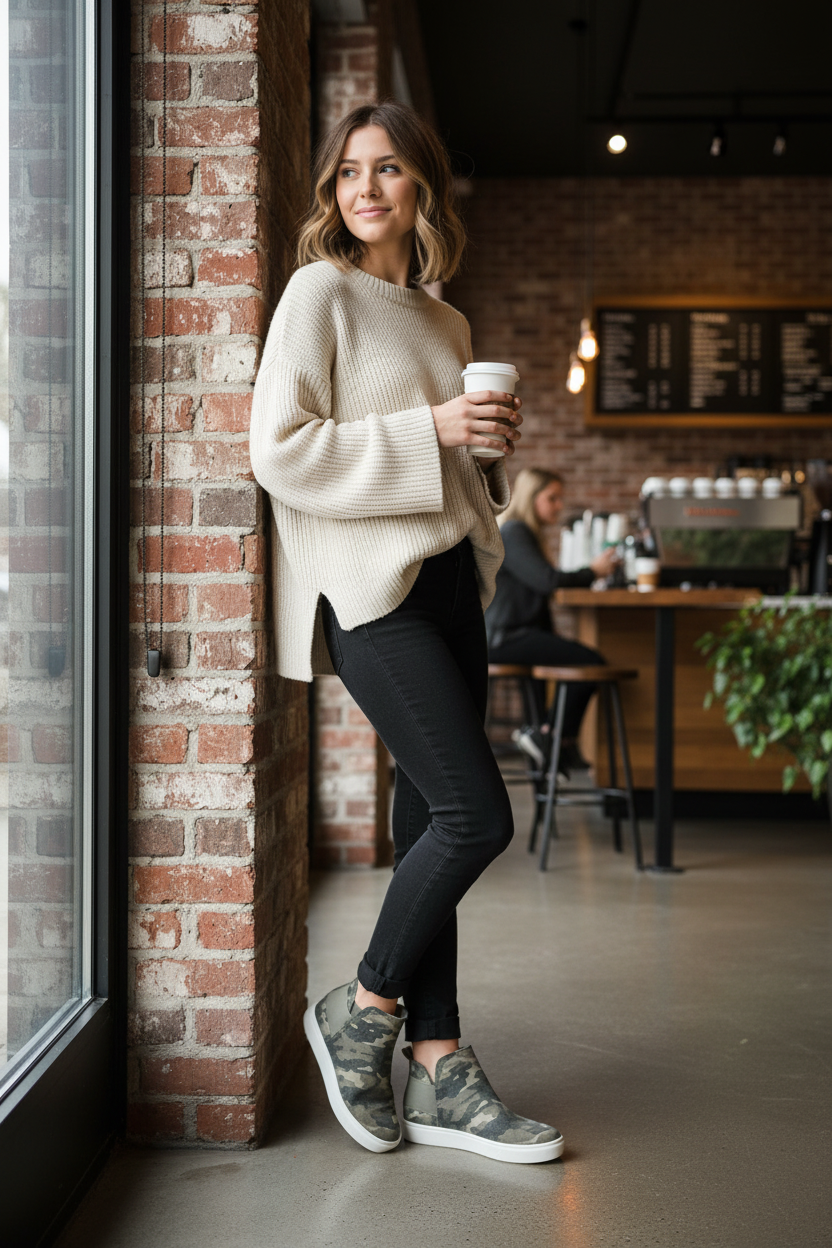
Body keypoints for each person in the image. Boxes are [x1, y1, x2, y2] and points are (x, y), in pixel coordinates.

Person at [250, 102, 563, 1165]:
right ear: (333, 193)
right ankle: (364, 1007)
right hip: (366, 592)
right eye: (347, 173)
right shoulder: (317, 294)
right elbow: (280, 450)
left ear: (422, 184)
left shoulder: (446, 325)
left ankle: (438, 1062)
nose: (366, 189)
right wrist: (429, 428)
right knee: (477, 818)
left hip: (446, 586)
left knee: (431, 816)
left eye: (388, 170)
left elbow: (451, 474)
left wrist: (484, 461)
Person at [485, 468, 616, 772]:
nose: (559, 505)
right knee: (591, 663)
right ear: (532, 498)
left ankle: (543, 738)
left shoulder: (524, 533)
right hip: (505, 639)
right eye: (552, 498)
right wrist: (593, 572)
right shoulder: (515, 531)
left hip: (514, 636)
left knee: (575, 665)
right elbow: (547, 581)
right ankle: (554, 738)